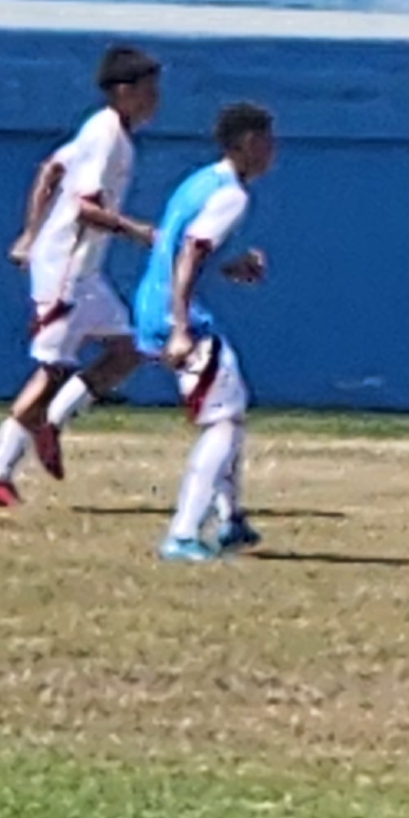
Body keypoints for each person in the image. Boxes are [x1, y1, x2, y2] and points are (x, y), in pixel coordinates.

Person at [0, 45, 163, 509]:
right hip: (68, 273)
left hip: (83, 272)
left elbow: (51, 169)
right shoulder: (108, 136)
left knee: (129, 350)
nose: (155, 99)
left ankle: (52, 422)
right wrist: (137, 230)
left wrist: (29, 234)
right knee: (52, 371)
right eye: (148, 90)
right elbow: (86, 207)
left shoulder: (102, 128)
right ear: (123, 91)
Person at [129, 102, 276, 563]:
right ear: (250, 143)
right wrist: (180, 325)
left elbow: (178, 243)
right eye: (268, 142)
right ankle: (184, 533)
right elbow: (191, 252)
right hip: (180, 315)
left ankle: (231, 520)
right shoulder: (232, 194)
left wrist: (232, 265)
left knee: (229, 407)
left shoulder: (201, 180)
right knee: (224, 421)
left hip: (154, 302)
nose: (274, 152)